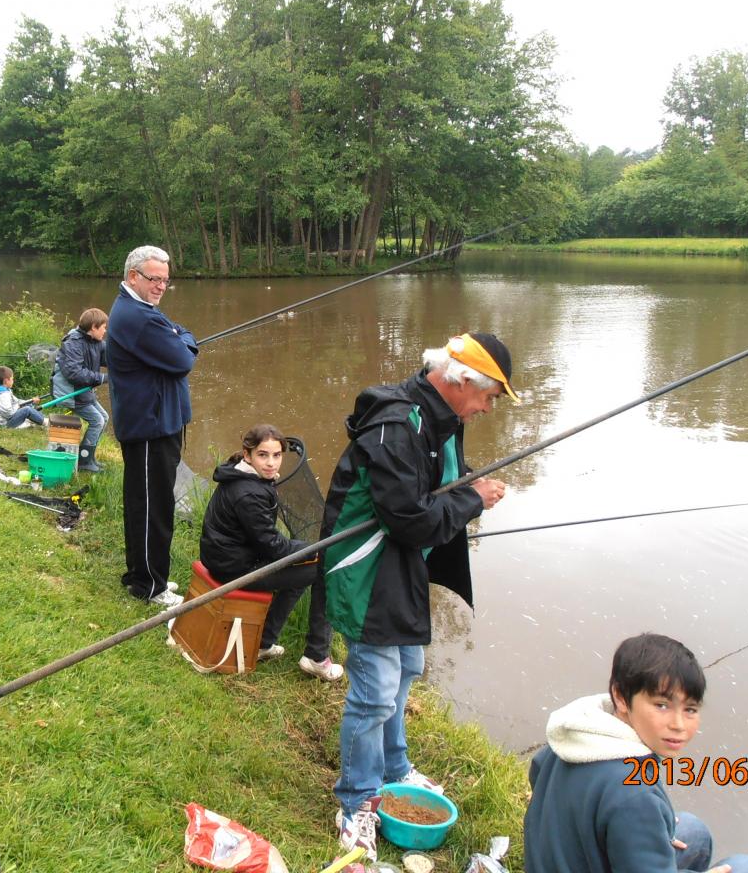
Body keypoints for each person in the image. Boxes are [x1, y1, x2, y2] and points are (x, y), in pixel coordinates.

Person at [322, 332, 517, 861]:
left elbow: (432, 495)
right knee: (375, 690)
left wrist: (469, 491)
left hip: (399, 564)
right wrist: (472, 501)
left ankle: (393, 768)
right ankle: (358, 801)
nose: (486, 408)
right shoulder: (396, 425)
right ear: (461, 381)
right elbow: (410, 518)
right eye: (488, 397)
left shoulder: (440, 419)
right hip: (367, 567)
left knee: (408, 667)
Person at [524, 633, 748, 873]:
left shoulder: (576, 737)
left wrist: (637, 833)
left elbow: (538, 770)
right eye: (662, 705)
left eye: (690, 709)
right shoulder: (634, 795)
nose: (678, 724)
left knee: (693, 830)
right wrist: (639, 824)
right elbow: (629, 803)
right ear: (621, 697)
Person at [199, 424, 341, 681]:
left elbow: (267, 541)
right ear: (247, 455)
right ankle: (317, 655)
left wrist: (304, 553)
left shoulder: (243, 477)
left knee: (303, 571)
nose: (271, 463)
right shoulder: (249, 493)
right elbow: (274, 546)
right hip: (234, 568)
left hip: (229, 557)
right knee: (322, 568)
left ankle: (264, 641)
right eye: (263, 455)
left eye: (276, 455)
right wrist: (314, 550)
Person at [107, 245, 198, 608]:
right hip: (150, 428)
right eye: (154, 279)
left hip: (157, 423)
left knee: (149, 503)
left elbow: (182, 335)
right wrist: (181, 341)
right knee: (151, 507)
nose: (160, 286)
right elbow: (182, 358)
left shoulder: (143, 311)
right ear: (133, 276)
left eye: (165, 280)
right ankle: (148, 584)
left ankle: (144, 573)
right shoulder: (140, 317)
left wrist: (180, 337)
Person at [53, 307, 109, 472]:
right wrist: (102, 378)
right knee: (97, 420)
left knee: (104, 418)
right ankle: (84, 461)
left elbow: (110, 358)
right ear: (93, 327)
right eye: (104, 327)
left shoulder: (95, 342)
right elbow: (74, 373)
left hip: (83, 390)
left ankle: (89, 457)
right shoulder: (73, 343)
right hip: (70, 392)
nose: (105, 331)